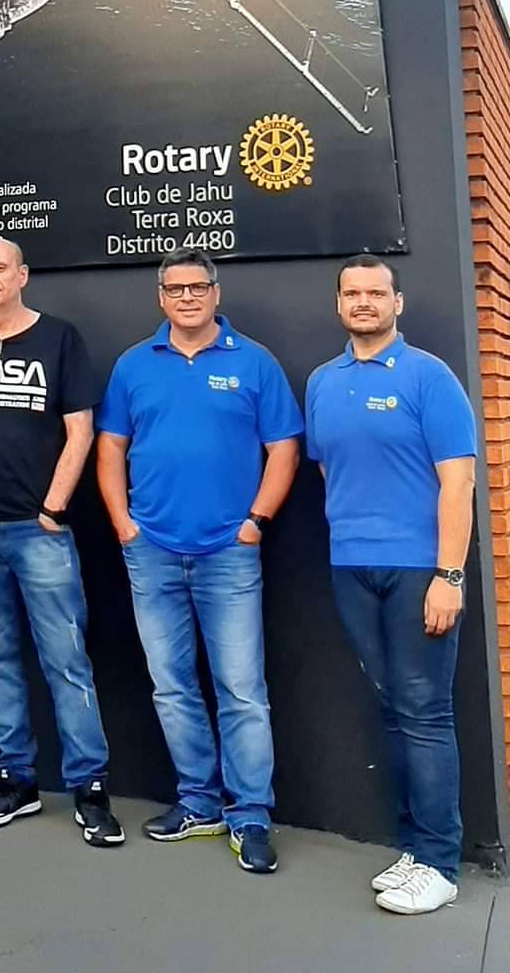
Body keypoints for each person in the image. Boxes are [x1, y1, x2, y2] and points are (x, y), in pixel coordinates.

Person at [96, 248, 302, 874]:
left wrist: (254, 523)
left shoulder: (255, 362)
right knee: (172, 686)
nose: (187, 297)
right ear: (161, 297)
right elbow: (110, 449)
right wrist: (125, 525)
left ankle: (250, 816)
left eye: (198, 286)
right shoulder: (134, 366)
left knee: (241, 690)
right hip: (151, 550)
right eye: (175, 288)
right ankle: (198, 803)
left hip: (228, 555)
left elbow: (284, 447)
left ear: (217, 292)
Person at [0, 237, 124, 847]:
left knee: (67, 663)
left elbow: (81, 428)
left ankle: (90, 789)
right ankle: (16, 782)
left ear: (22, 275)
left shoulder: (59, 338)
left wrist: (53, 507)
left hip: (39, 532)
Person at [306, 254, 477, 915]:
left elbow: (458, 483)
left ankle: (440, 861)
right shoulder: (323, 382)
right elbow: (328, 470)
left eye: (377, 292)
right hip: (352, 565)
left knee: (425, 712)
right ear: (340, 304)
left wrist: (448, 575)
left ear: (396, 303)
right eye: (353, 293)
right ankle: (414, 850)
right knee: (394, 709)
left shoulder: (428, 377)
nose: (364, 302)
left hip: (419, 569)